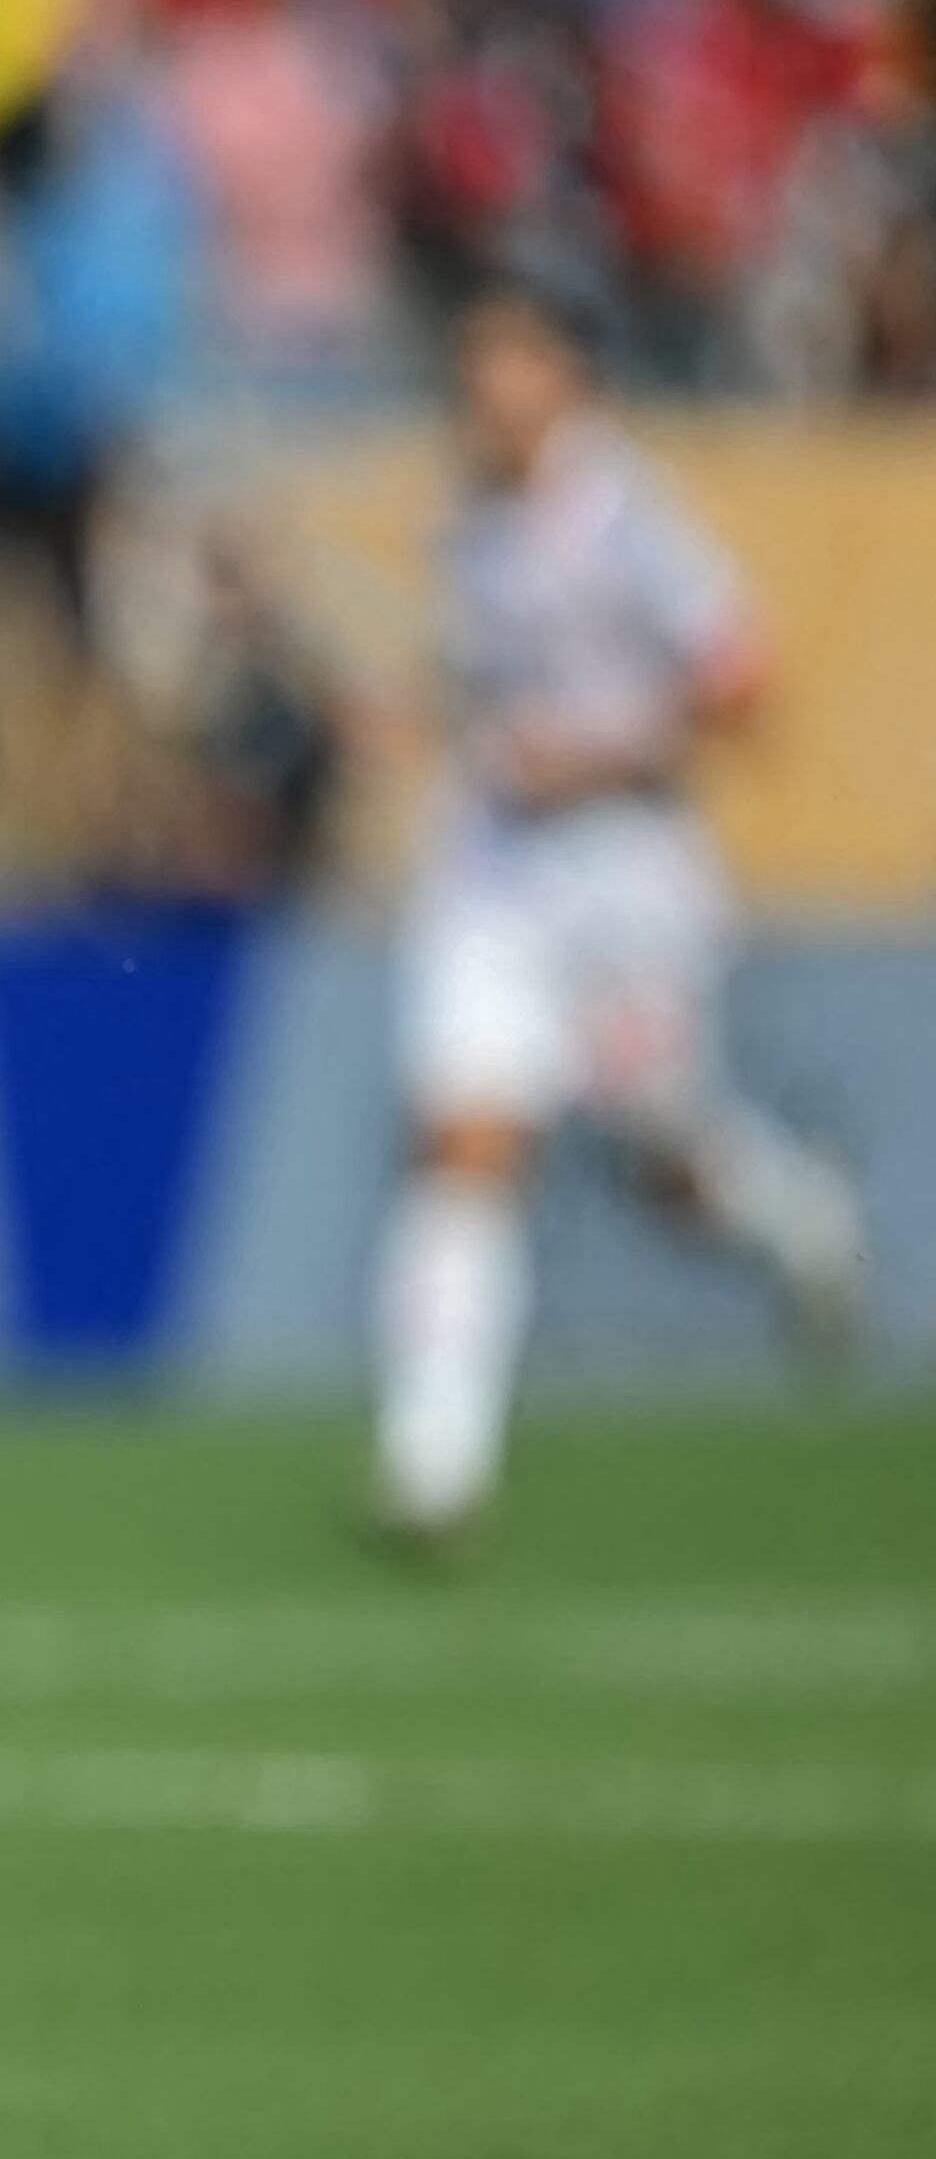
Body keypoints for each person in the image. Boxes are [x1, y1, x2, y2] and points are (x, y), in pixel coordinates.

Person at [370, 276, 867, 1539]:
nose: (482, 392)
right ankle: (433, 1456)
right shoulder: (464, 526)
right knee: (463, 1140)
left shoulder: (624, 515)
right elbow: (462, 694)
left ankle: (798, 1223)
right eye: (469, 366)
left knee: (663, 1163)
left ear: (564, 375)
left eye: (507, 363)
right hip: (493, 875)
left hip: (624, 877)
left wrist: (587, 759)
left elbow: (739, 680)